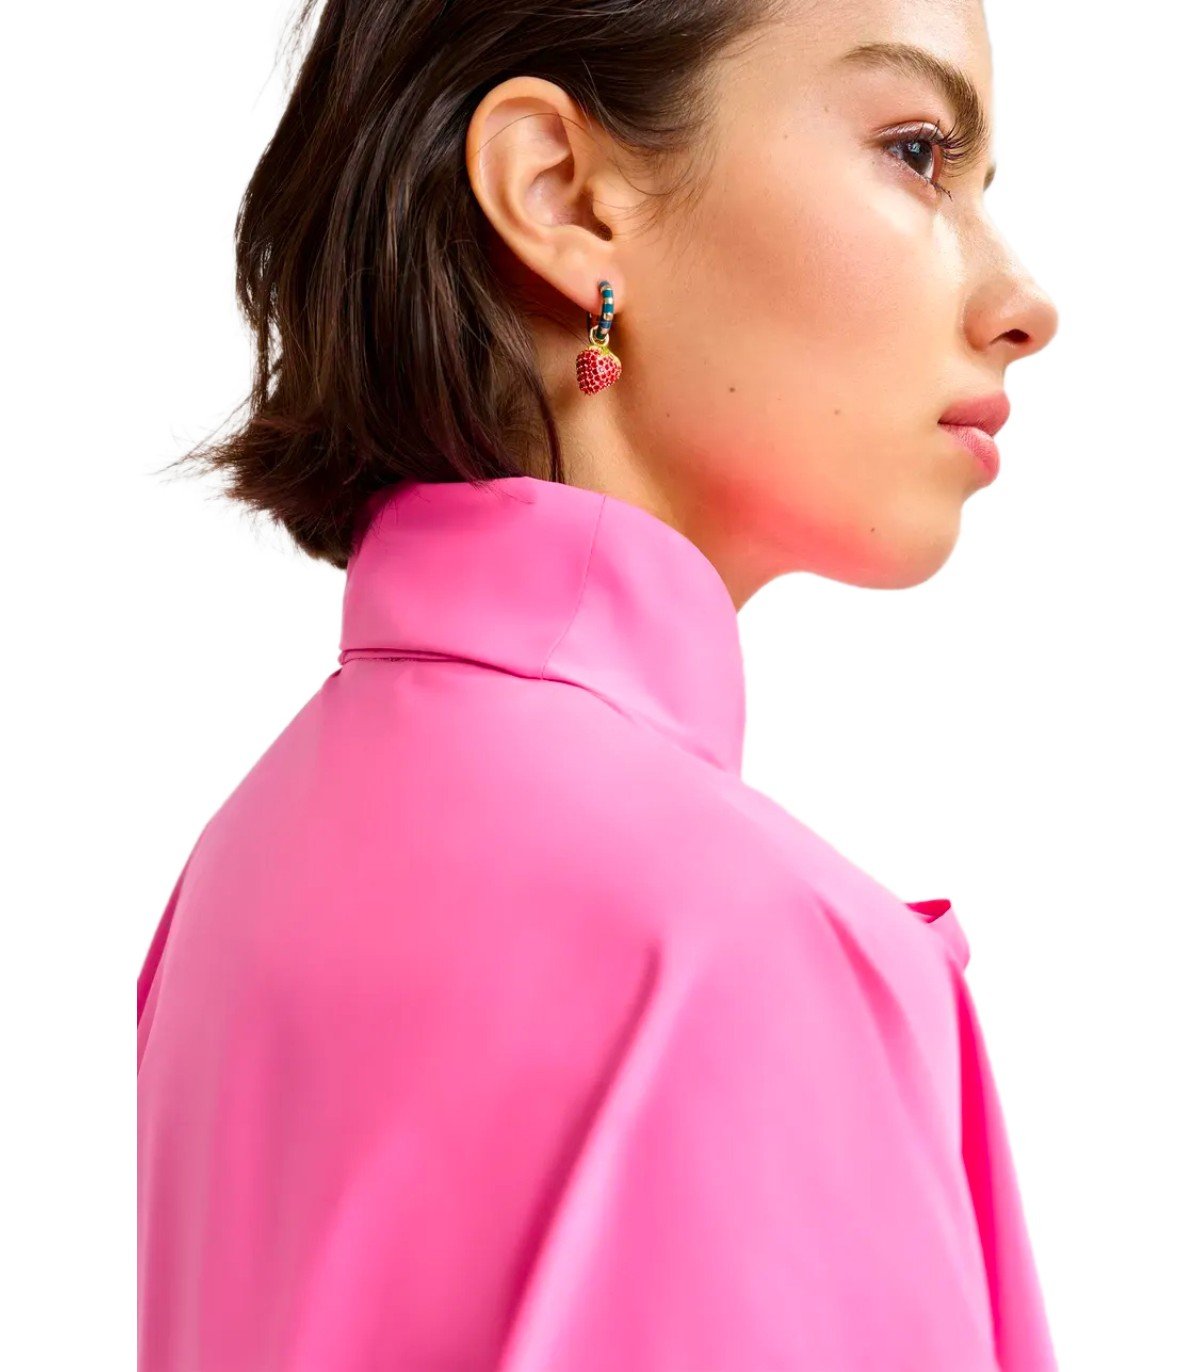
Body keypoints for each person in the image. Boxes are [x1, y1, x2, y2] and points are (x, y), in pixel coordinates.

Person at [137, 0, 1060, 1367]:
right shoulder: (749, 947)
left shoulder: (242, 863)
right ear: (559, 192)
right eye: (917, 154)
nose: (1024, 305)